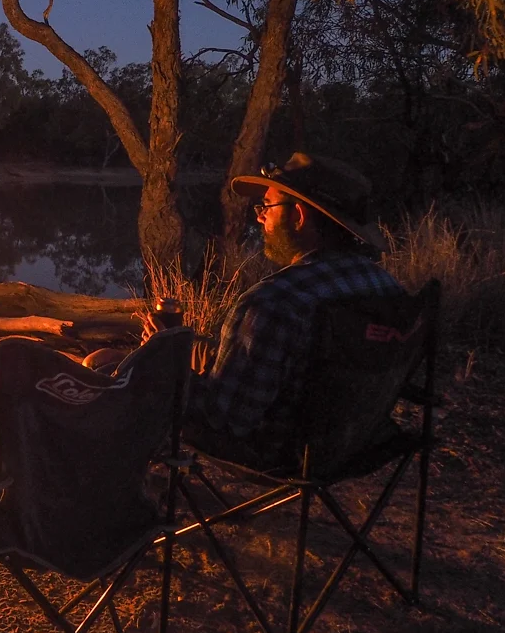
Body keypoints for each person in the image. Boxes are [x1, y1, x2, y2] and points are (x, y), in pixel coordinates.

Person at [160, 152, 402, 469]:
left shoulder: (274, 300)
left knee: (109, 366)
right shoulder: (386, 287)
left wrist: (162, 364)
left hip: (278, 452)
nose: (259, 218)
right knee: (190, 352)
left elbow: (226, 419)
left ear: (298, 216)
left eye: (267, 207)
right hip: (356, 444)